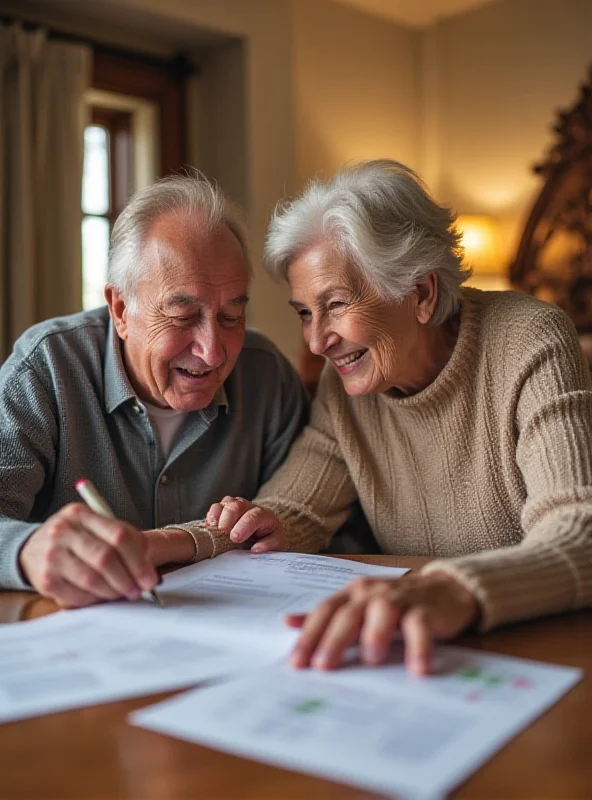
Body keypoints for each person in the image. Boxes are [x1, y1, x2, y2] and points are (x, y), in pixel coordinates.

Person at [202, 159, 592, 675]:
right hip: (420, 655)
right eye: (304, 312)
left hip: (543, 651)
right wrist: (184, 540)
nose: (316, 341)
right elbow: (291, 512)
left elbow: (580, 531)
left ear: (422, 293)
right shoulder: (350, 393)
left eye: (336, 304)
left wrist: (453, 588)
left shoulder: (528, 340)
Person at [0, 174, 307, 607]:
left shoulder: (267, 378)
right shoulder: (46, 369)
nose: (213, 351)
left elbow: (306, 518)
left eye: (231, 317)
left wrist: (278, 527)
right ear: (121, 309)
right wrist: (25, 550)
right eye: (183, 316)